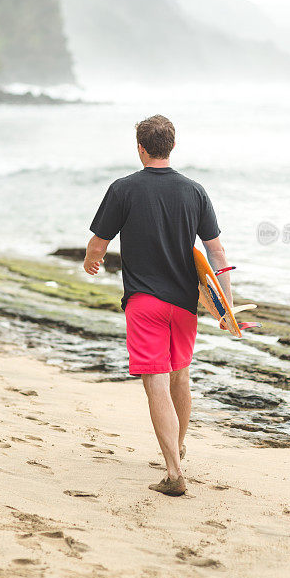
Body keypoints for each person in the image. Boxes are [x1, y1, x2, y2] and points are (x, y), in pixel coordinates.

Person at [83, 115, 232, 497]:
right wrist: (226, 304)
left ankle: (173, 470)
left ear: (141, 148)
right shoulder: (194, 191)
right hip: (184, 303)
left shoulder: (123, 189)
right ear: (172, 146)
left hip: (144, 302)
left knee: (156, 383)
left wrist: (91, 262)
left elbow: (99, 243)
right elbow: (216, 252)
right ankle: (177, 446)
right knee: (181, 377)